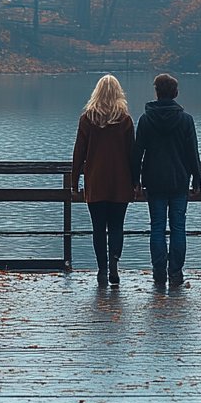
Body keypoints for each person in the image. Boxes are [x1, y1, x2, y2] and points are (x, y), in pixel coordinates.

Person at [132, 73, 201, 288]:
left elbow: (137, 153)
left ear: (156, 92)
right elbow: (192, 152)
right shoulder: (186, 119)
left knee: (157, 227)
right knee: (178, 228)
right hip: (179, 180)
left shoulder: (145, 119)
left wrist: (136, 180)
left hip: (153, 181)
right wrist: (197, 178)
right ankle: (176, 274)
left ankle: (159, 274)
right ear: (175, 93)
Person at [72, 74, 136, 287]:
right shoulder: (125, 120)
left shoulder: (87, 119)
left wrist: (74, 181)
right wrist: (136, 182)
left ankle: (102, 269)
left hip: (95, 180)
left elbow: (79, 152)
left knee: (98, 227)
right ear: (118, 93)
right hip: (120, 181)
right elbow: (132, 154)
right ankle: (114, 264)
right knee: (117, 225)